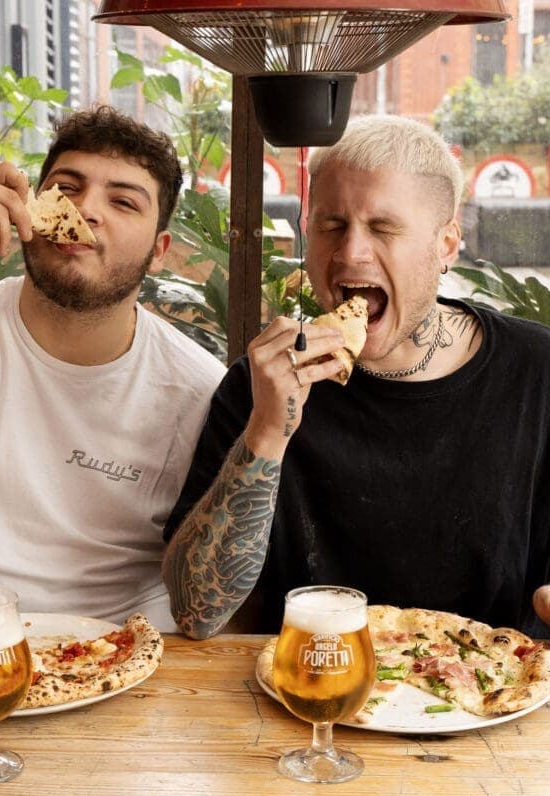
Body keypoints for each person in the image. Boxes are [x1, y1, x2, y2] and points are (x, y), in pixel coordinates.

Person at [162, 113, 550, 640]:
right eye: (331, 226)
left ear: (446, 245)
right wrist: (268, 431)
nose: (351, 253)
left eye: (383, 228)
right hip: (311, 693)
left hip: (488, 695)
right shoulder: (263, 383)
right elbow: (196, 611)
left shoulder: (536, 372)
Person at [0, 105, 225, 631]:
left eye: (123, 201)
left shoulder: (199, 390)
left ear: (158, 253)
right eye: (67, 188)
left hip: (120, 668)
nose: (88, 210)